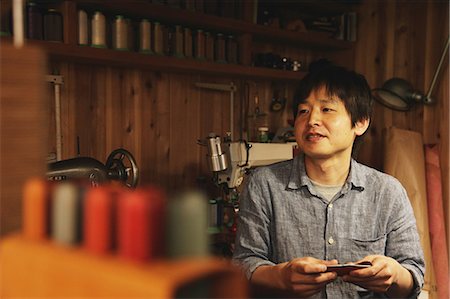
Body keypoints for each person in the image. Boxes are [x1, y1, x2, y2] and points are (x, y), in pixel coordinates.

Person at [232, 60, 425, 298]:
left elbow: (413, 275)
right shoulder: (264, 184)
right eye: (303, 111)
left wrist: (393, 274)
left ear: (361, 122)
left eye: (327, 109)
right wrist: (280, 277)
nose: (312, 120)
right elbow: (243, 264)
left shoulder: (388, 192)